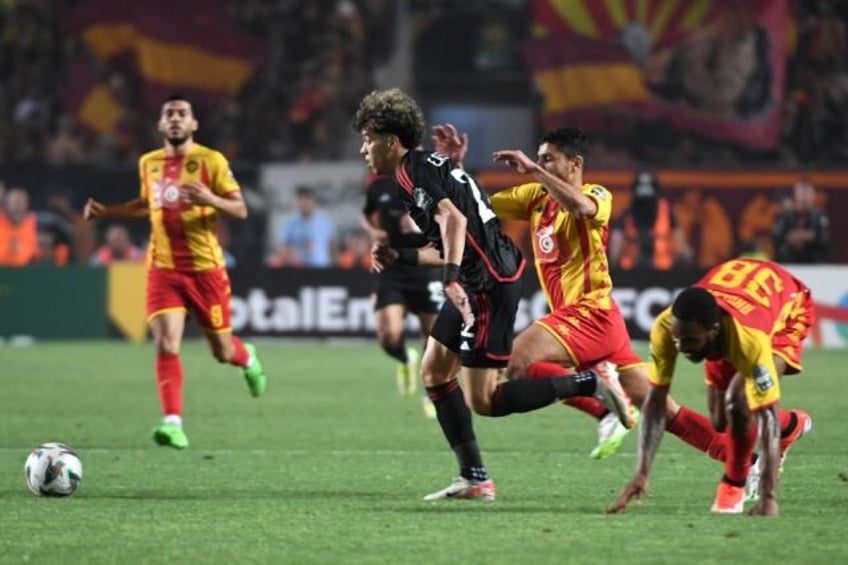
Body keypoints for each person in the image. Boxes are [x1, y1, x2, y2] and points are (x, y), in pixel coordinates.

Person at [354, 88, 631, 502]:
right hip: (478, 277)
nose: (363, 149)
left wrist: (449, 278)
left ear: (390, 142)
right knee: (433, 372)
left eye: (367, 140)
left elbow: (453, 220)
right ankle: (474, 478)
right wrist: (400, 255)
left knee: (484, 400)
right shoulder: (426, 167)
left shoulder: (413, 174)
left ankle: (589, 383)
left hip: (487, 284)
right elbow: (454, 231)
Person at [434, 124, 735, 464]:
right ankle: (741, 461)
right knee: (660, 409)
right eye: (539, 160)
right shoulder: (535, 198)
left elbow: (581, 208)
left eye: (549, 159)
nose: (541, 165)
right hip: (592, 325)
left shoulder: (598, 194)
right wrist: (454, 169)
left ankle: (598, 397)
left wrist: (532, 171)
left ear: (574, 164)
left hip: (590, 315)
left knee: (514, 362)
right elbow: (477, 208)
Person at [83, 94, 267, 449]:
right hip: (163, 269)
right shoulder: (148, 163)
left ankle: (247, 357)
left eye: (183, 114)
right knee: (167, 342)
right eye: (169, 114)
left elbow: (241, 209)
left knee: (222, 351)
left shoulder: (211, 161)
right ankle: (173, 423)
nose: (176, 119)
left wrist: (210, 200)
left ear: (194, 124)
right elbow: (147, 205)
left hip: (205, 271)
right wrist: (109, 212)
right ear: (160, 124)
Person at [608, 258, 814, 517]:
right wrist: (642, 472)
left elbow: (767, 415)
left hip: (787, 305)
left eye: (691, 340)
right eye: (678, 339)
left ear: (713, 331)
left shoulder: (750, 341)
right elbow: (655, 403)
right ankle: (792, 426)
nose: (682, 348)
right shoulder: (666, 326)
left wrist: (769, 498)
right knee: (720, 421)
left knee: (739, 402)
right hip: (737, 302)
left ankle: (733, 485)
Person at [361, 174, 441, 416]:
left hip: (427, 265)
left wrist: (418, 225)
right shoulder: (379, 185)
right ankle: (406, 358)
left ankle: (432, 393)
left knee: (434, 339)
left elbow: (451, 217)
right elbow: (366, 212)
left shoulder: (430, 179)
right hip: (392, 266)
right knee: (388, 336)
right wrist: (373, 231)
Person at [607, 171, 692, 271]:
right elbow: (615, 243)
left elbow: (681, 246)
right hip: (631, 271)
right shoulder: (627, 212)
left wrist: (684, 261)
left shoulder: (667, 211)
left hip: (663, 271)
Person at [270, 185, 337, 268]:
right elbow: (284, 249)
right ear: (297, 201)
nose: (305, 203)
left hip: (322, 267)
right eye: (301, 199)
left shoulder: (325, 221)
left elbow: (333, 248)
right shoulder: (290, 223)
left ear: (313, 200)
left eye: (308, 199)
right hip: (298, 269)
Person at [772, 179, 829, 263]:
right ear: (795, 194)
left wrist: (796, 235)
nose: (804, 197)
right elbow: (777, 237)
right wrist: (807, 235)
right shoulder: (786, 215)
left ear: (813, 195)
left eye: (807, 193)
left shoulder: (819, 216)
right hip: (787, 263)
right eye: (801, 193)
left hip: (814, 265)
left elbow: (823, 240)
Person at [0, 187, 39, 266]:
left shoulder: (36, 224)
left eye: (21, 203)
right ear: (6, 205)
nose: (18, 207)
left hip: (28, 273)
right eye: (15, 203)